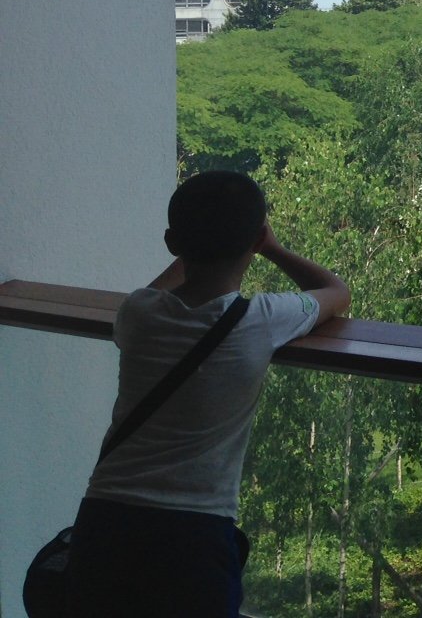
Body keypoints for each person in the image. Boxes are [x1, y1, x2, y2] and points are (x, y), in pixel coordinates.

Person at [65, 170, 351, 618]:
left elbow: (155, 291)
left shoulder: (137, 314)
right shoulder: (262, 321)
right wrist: (272, 247)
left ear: (172, 243)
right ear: (255, 238)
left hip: (105, 522)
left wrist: (190, 244)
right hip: (195, 536)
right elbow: (337, 292)